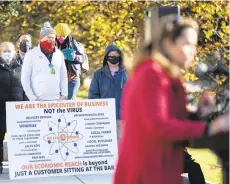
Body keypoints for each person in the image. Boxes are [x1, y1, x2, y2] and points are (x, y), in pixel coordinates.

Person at [113, 16, 229, 184]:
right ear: (168, 44)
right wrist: (210, 128)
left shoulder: (169, 77)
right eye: (187, 44)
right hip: (145, 174)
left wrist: (199, 113)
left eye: (194, 45)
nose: (193, 51)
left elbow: (173, 119)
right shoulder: (151, 73)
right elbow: (158, 126)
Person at [21, 22, 68, 101]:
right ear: (41, 38)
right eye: (48, 37)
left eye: (53, 38)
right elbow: (25, 78)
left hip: (56, 99)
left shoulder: (59, 54)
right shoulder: (31, 54)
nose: (51, 39)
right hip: (38, 100)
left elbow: (63, 76)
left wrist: (64, 95)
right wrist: (32, 97)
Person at [88, 44, 127, 138]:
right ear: (106, 57)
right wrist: (100, 111)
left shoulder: (127, 73)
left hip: (124, 117)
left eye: (117, 55)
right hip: (105, 118)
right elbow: (93, 96)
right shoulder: (98, 74)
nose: (114, 57)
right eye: (111, 55)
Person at [0, 42, 28, 173]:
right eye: (4, 51)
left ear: (14, 52)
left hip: (17, 112)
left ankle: (18, 167)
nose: (7, 53)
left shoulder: (21, 68)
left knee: (17, 140)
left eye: (9, 51)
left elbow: (26, 89)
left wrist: (27, 105)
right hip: (1, 111)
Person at [54, 23, 89, 100]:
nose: (61, 38)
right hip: (57, 80)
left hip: (71, 78)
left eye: (63, 36)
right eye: (59, 36)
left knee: (70, 103)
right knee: (58, 104)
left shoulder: (74, 43)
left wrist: (74, 57)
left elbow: (82, 58)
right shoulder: (53, 45)